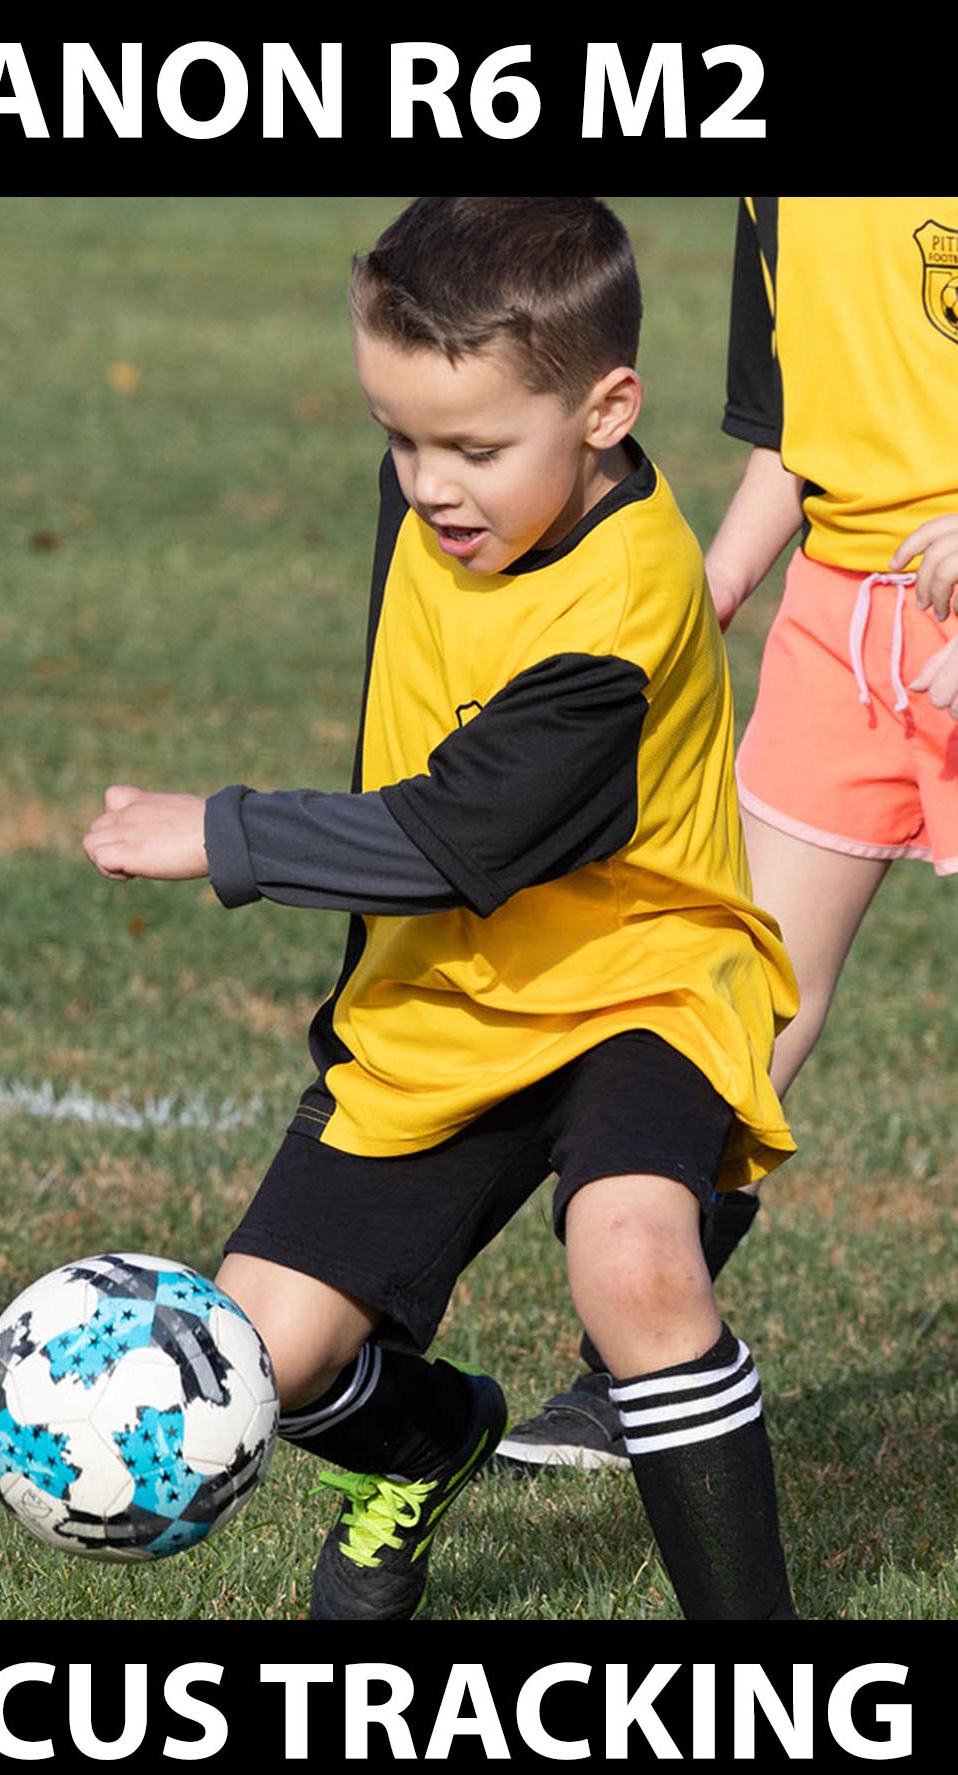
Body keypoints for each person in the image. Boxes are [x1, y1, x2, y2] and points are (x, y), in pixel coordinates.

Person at [84, 195, 800, 1621]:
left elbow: (457, 833)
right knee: (263, 1361)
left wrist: (223, 831)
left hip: (632, 982)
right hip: (443, 998)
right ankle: (428, 1441)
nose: (427, 484)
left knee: (634, 1263)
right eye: (397, 435)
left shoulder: (622, 614)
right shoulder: (455, 480)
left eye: (472, 448)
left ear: (608, 411)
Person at [494, 195, 958, 1476]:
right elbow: (791, 438)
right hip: (841, 616)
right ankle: (638, 1368)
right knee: (743, 997)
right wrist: (703, 596)